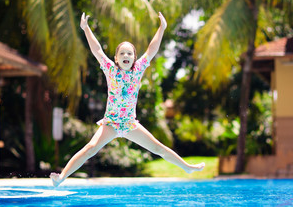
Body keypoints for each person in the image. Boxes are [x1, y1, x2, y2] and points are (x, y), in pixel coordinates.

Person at [50, 12, 205, 187]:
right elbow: (97, 50)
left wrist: (162, 28)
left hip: (130, 124)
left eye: (130, 53)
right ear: (116, 58)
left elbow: (151, 50)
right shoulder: (110, 70)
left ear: (134, 58)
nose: (126, 55)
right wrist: (86, 28)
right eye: (122, 53)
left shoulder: (137, 70)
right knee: (90, 149)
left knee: (157, 148)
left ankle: (187, 167)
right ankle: (61, 177)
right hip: (111, 123)